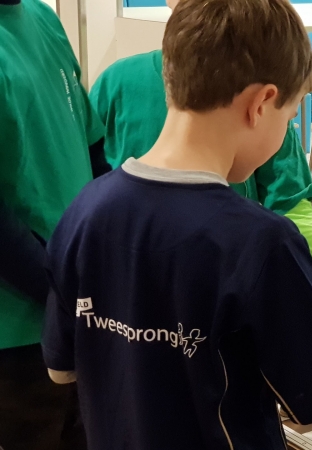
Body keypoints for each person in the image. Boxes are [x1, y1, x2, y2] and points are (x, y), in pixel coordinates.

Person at [41, 0, 312, 447]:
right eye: (290, 117)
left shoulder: (84, 212)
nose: (285, 131)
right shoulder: (260, 243)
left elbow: (61, 369)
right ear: (261, 103)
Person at [88, 0, 312, 324]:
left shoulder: (265, 96)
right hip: (131, 305)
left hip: (223, 305)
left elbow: (290, 205)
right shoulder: (116, 84)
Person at [0, 0, 110, 447]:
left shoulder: (43, 18)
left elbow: (93, 148)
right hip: (17, 332)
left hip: (77, 309)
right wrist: (60, 292)